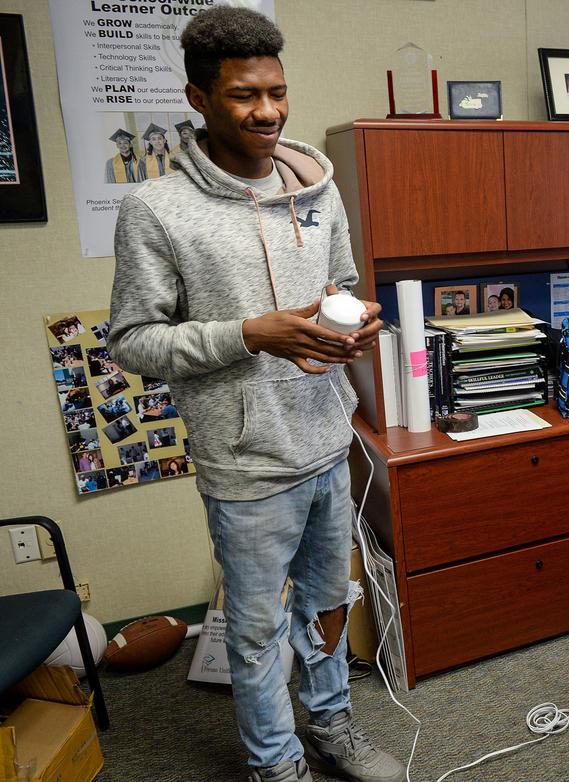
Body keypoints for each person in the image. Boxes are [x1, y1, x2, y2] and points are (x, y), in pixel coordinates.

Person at [107, 8, 401, 782]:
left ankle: (333, 725)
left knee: (330, 602)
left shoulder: (319, 189)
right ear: (199, 100)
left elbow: (342, 288)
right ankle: (277, 766)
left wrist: (359, 322)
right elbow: (132, 341)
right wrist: (250, 333)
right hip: (245, 460)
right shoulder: (156, 210)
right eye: (242, 95)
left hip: (327, 439)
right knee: (257, 629)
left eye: (275, 91)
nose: (266, 111)